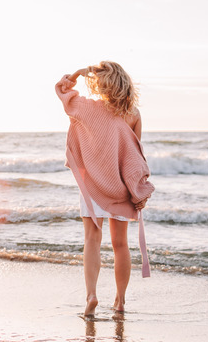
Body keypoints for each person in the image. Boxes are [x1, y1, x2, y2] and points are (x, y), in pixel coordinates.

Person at [55, 61, 154, 317]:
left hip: (93, 187)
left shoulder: (87, 107)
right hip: (120, 187)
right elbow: (134, 155)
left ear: (102, 83)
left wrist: (78, 73)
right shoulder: (133, 113)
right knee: (120, 244)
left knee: (92, 240)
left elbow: (62, 90)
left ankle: (91, 296)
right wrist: (138, 189)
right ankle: (120, 302)